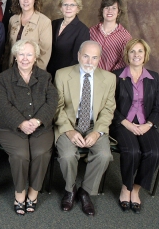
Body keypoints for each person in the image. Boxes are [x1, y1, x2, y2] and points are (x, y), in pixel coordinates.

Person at [0, 39, 58, 215]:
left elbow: (52, 101)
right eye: (21, 54)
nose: (25, 58)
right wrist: (21, 123)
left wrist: (38, 121)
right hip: (10, 126)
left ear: (35, 57)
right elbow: (2, 104)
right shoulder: (4, 78)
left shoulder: (45, 77)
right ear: (15, 56)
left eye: (29, 54)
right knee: (21, 155)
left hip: (40, 126)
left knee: (41, 153)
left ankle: (34, 192)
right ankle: (20, 192)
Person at [54, 40, 116, 216]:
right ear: (79, 56)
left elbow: (108, 109)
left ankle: (86, 191)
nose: (89, 61)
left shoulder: (109, 78)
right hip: (69, 124)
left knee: (104, 155)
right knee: (67, 155)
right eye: (86, 56)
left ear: (99, 59)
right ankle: (70, 189)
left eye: (94, 58)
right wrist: (68, 130)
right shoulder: (62, 74)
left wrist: (97, 132)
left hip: (94, 126)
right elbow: (57, 107)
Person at [110, 39, 159, 214]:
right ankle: (126, 188)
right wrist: (126, 123)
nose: (136, 55)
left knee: (154, 152)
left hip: (145, 123)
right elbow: (109, 105)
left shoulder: (154, 78)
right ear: (127, 55)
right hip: (122, 123)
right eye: (132, 51)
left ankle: (136, 188)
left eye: (140, 51)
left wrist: (149, 124)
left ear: (145, 55)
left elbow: (158, 107)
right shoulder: (116, 76)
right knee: (132, 151)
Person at [4, 0, 52, 71]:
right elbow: (8, 47)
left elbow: (45, 53)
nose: (25, 1)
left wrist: (34, 73)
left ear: (35, 0)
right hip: (11, 70)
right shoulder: (12, 20)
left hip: (33, 72)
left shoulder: (44, 22)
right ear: (18, 0)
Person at [47, 0, 90, 80]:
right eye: (65, 4)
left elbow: (77, 59)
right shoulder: (53, 24)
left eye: (72, 5)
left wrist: (63, 76)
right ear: (60, 7)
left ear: (78, 8)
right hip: (48, 72)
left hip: (66, 75)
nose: (68, 8)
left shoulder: (82, 30)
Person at [90, 0, 132, 71]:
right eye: (106, 7)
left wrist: (110, 77)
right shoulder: (91, 31)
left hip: (111, 78)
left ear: (118, 12)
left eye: (114, 8)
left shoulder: (125, 36)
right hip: (89, 75)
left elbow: (124, 61)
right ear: (102, 10)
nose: (110, 11)